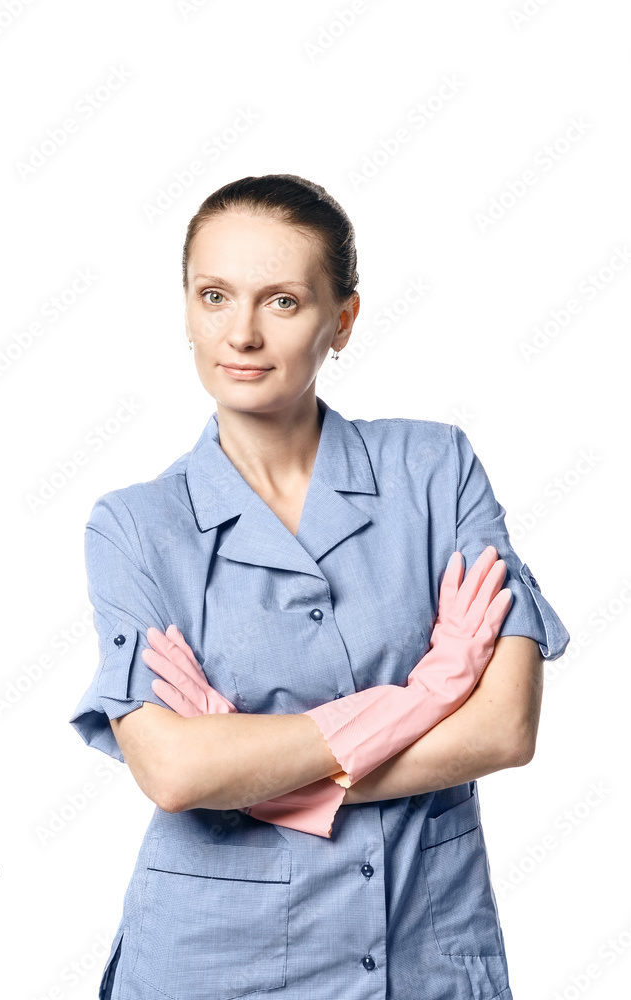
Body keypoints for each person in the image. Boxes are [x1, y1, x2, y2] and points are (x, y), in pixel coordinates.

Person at [68, 174, 570, 1000]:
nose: (242, 333)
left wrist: (261, 772)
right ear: (186, 310)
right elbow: (174, 773)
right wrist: (433, 688)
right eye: (214, 295)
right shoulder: (133, 526)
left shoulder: (434, 469)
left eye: (283, 302)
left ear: (342, 320)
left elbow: (504, 728)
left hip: (426, 952)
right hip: (213, 963)